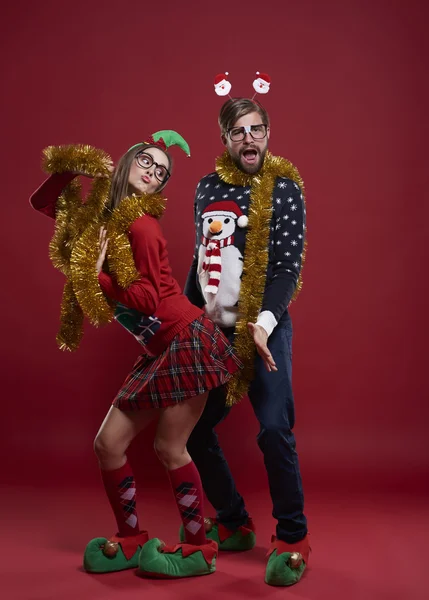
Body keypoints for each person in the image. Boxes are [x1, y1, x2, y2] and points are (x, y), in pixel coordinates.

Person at [29, 131, 242, 578]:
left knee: (170, 447)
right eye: (147, 162)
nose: (153, 172)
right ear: (126, 163)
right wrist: (74, 166)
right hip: (156, 349)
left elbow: (145, 300)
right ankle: (130, 537)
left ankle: (199, 547)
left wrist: (97, 276)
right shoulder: (97, 219)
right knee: (108, 445)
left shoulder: (142, 226)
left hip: (186, 341)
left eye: (161, 172)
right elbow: (44, 204)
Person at [183, 99, 310, 586]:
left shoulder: (284, 189)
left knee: (274, 429)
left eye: (256, 130)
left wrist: (264, 322)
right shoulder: (206, 188)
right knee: (194, 430)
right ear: (225, 139)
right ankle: (234, 522)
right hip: (215, 330)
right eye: (238, 132)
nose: (249, 139)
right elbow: (203, 259)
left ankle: (294, 537)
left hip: (266, 330)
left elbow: (286, 268)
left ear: (268, 133)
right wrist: (189, 322)